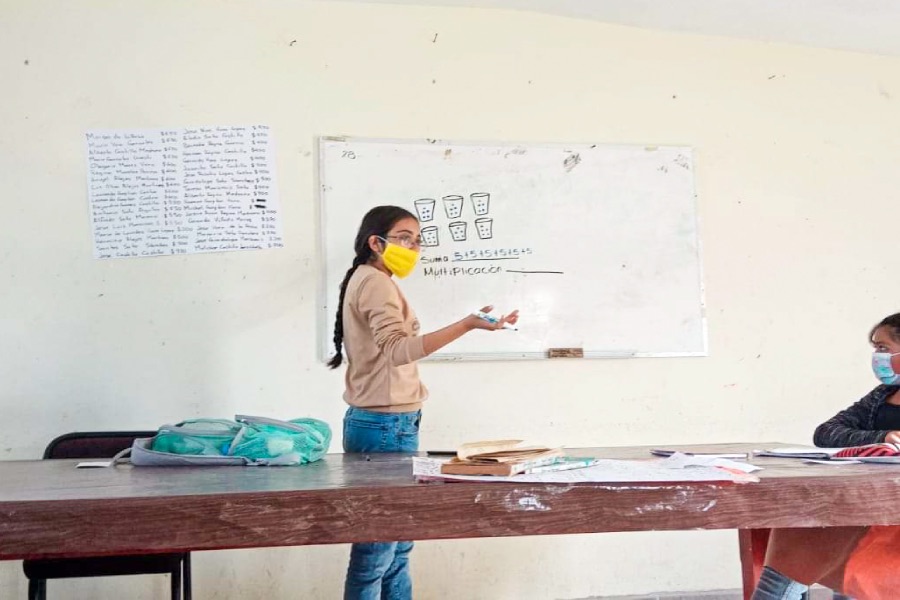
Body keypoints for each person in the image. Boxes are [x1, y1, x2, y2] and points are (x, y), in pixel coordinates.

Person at [327, 205, 518, 600]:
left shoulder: (372, 278)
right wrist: (466, 325)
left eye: (418, 241)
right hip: (384, 427)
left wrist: (470, 320)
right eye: (404, 238)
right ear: (375, 243)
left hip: (387, 423)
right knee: (378, 552)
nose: (413, 247)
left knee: (395, 548)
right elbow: (399, 351)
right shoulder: (375, 282)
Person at [752, 312, 900, 600]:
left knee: (819, 527)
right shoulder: (881, 396)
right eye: (875, 349)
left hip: (887, 517)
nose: (877, 357)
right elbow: (826, 432)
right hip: (869, 505)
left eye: (883, 348)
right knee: (806, 517)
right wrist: (880, 437)